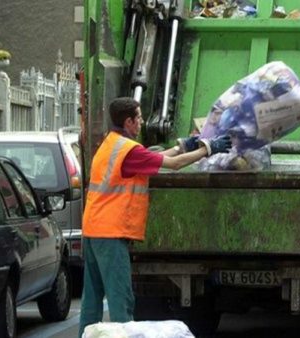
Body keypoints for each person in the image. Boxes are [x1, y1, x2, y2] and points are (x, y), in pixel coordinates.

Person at [78, 97, 231, 337]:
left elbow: (156, 157)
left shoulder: (112, 144)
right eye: (138, 117)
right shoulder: (129, 151)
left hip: (93, 231)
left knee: (92, 299)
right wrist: (207, 149)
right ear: (128, 121)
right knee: (121, 301)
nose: (141, 122)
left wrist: (186, 144)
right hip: (110, 234)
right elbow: (175, 164)